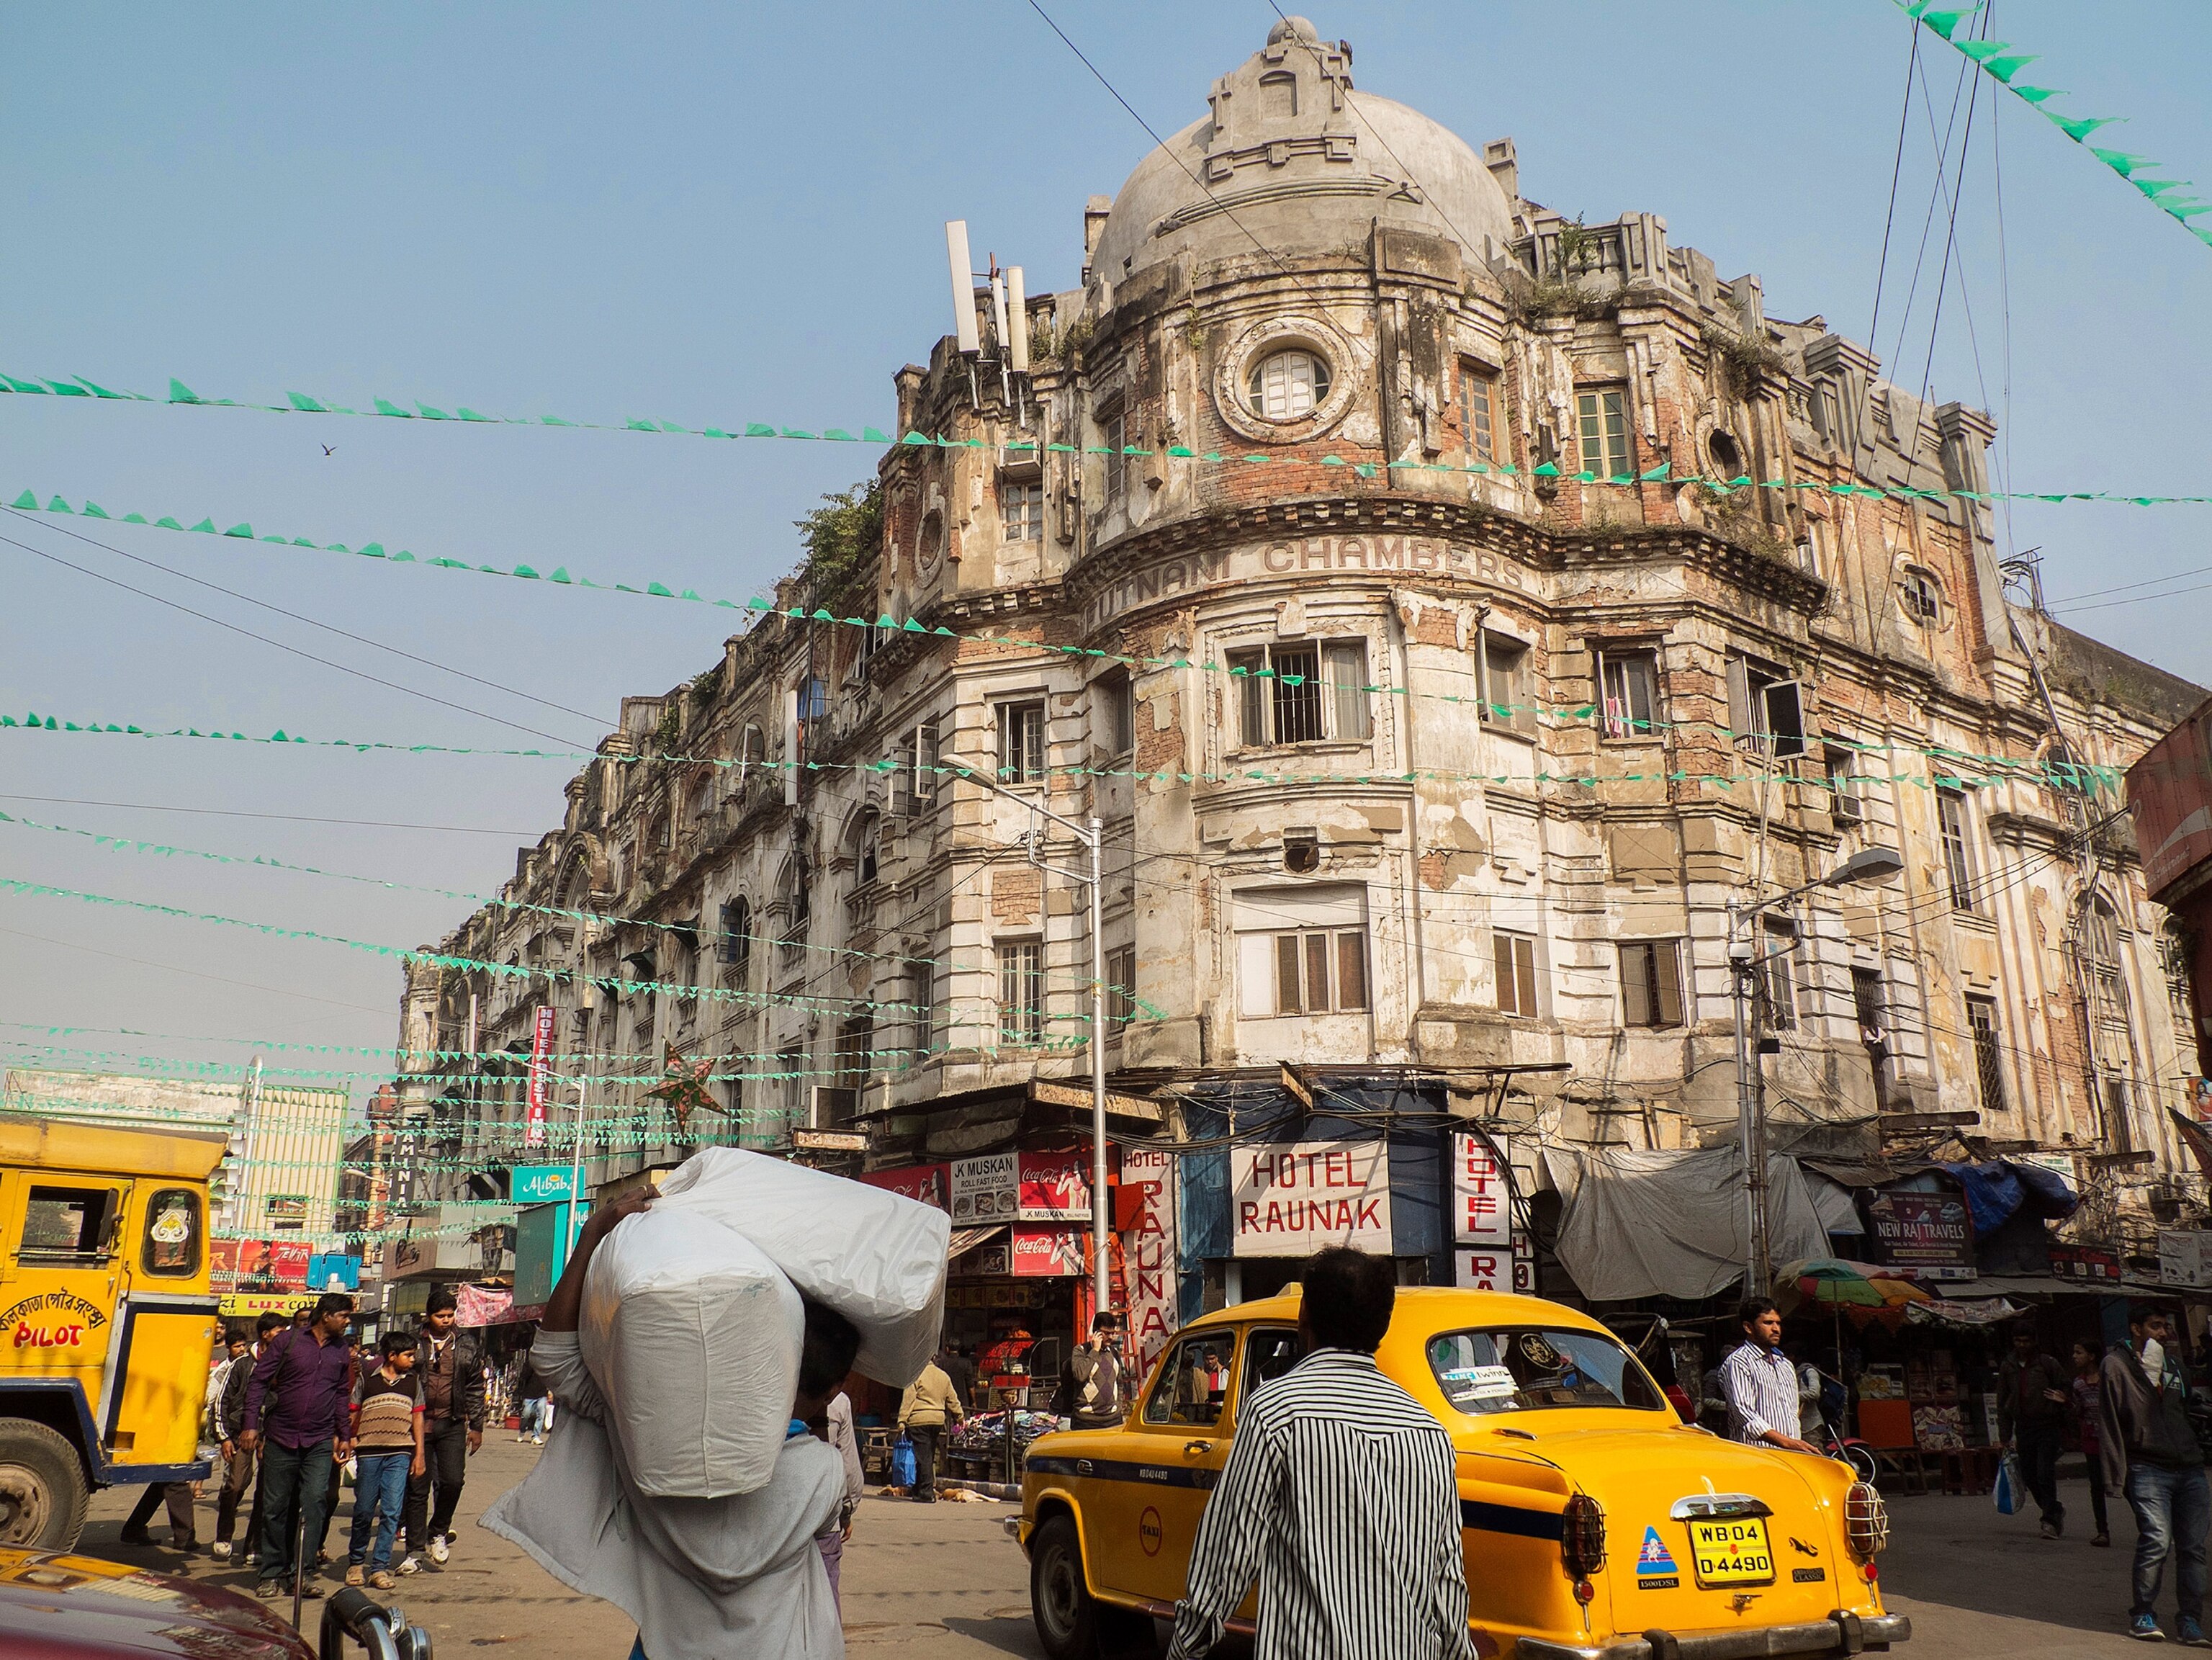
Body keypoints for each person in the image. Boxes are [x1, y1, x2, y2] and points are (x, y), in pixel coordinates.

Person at [480, 1184, 858, 1660]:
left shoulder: (642, 1431)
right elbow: (827, 1559)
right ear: (831, 1390)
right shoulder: (823, 1472)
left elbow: (555, 1358)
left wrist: (593, 1233)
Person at [1164, 1247, 1471, 1660]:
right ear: (1380, 1327)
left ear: (1304, 1315)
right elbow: (1448, 1581)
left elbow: (1227, 1556)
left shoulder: (1276, 1413)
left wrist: (1186, 1648)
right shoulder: (1429, 1433)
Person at [2101, 1308, 2211, 1643]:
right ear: (2136, 1328)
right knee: (2156, 1540)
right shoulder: (2117, 1366)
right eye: (2155, 1326)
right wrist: (2114, 1476)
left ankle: (2190, 1621)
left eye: (2166, 1327)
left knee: (2193, 1548)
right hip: (2147, 1467)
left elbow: (2186, 1408)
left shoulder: (2174, 1365)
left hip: (2189, 1467)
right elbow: (2110, 1421)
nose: (2164, 1333)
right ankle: (2143, 1613)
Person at [241, 1291, 356, 1601]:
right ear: (327, 1317)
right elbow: (259, 1382)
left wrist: (344, 1434)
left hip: (319, 1440)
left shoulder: (341, 1351)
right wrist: (250, 1424)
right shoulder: (288, 1341)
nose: (347, 1322)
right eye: (344, 1317)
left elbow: (340, 1396)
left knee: (316, 1501)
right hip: (280, 1436)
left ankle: (302, 1574)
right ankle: (271, 1573)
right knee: (275, 1507)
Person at [402, 1286, 485, 1571]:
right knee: (417, 1488)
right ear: (429, 1317)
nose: (446, 1320)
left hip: (452, 1422)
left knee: (452, 1482)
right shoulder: (413, 1343)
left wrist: (477, 1426)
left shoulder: (467, 1344)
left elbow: (475, 1386)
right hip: (418, 1425)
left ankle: (439, 1531)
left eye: (450, 1315)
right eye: (440, 1316)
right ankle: (413, 1551)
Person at [347, 1331, 426, 1590]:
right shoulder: (366, 1380)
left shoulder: (413, 1383)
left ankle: (379, 1568)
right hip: (369, 1452)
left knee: (392, 1511)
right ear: (392, 1356)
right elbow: (353, 1414)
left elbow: (417, 1420)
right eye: (408, 1355)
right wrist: (349, 1440)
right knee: (364, 1510)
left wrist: (419, 1455)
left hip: (400, 1452)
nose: (413, 1359)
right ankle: (356, 1563)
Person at [217, 1311, 289, 1563]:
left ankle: (253, 1545)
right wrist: (224, 1436)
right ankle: (224, 1535)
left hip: (273, 1434)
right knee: (235, 1485)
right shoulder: (242, 1364)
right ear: (266, 1334)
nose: (286, 1337)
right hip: (240, 1433)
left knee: (265, 1493)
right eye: (281, 1332)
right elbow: (223, 1401)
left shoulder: (286, 1363)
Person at [1998, 1324, 2072, 1539]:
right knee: (2029, 1474)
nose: (2022, 1345)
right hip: (2024, 1427)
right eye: (2018, 1341)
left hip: (2047, 1425)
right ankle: (2053, 1509)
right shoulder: (2008, 1365)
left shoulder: (2047, 1363)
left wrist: (2061, 1398)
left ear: (2034, 1341)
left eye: (2026, 1341)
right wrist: (2005, 1436)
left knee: (2044, 1473)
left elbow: (2066, 1387)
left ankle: (2049, 1521)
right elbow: (2003, 1401)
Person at [1721, 1298, 1817, 1453]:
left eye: (1778, 1323)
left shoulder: (1785, 1365)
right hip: (1757, 1458)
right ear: (1748, 1327)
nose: (1776, 1329)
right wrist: (1786, 1442)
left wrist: (1795, 1445)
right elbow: (1744, 1413)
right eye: (1768, 1323)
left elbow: (1792, 1412)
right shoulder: (1739, 1362)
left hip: (1791, 1457)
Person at [897, 1347, 966, 1503]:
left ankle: (927, 1493)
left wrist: (902, 1420)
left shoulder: (916, 1375)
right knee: (927, 1454)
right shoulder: (944, 1376)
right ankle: (918, 1490)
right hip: (937, 1420)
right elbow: (953, 1400)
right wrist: (960, 1416)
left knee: (923, 1458)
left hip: (918, 1420)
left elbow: (909, 1399)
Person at [819, 1387, 866, 1609]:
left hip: (774, 1518)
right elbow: (849, 1468)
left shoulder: (768, 1383)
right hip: (824, 1515)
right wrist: (847, 1511)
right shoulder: (838, 1400)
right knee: (826, 1596)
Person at [2072, 1340, 2113, 1549]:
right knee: (2096, 1487)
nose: (2075, 1356)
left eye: (2079, 1352)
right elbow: (2079, 1412)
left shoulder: (2109, 1379)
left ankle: (2149, 1527)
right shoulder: (2079, 1384)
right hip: (2091, 1440)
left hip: (2112, 1440)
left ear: (2092, 1356)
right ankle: (2102, 1531)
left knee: (2127, 1485)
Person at [1055, 1316, 1126, 1430]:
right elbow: (1080, 1375)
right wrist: (1095, 1351)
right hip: (1087, 1422)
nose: (1111, 1337)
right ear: (1096, 1332)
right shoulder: (1081, 1351)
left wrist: (1118, 1405)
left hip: (1113, 1420)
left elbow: (1120, 1383)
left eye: (1113, 1333)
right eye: (1107, 1333)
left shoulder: (1114, 1353)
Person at [516, 1354, 552, 1445]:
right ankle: (522, 1432)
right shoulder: (529, 1364)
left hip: (542, 1393)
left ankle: (536, 1436)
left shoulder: (546, 1365)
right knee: (526, 1414)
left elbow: (550, 1378)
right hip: (529, 1393)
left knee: (541, 1415)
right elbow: (523, 1376)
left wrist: (550, 1390)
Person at [940, 1342, 977, 1417]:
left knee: (948, 1426)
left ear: (947, 1349)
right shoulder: (966, 1363)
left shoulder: (942, 1363)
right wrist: (974, 1401)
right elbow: (970, 1385)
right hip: (963, 1401)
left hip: (946, 1402)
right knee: (963, 1426)